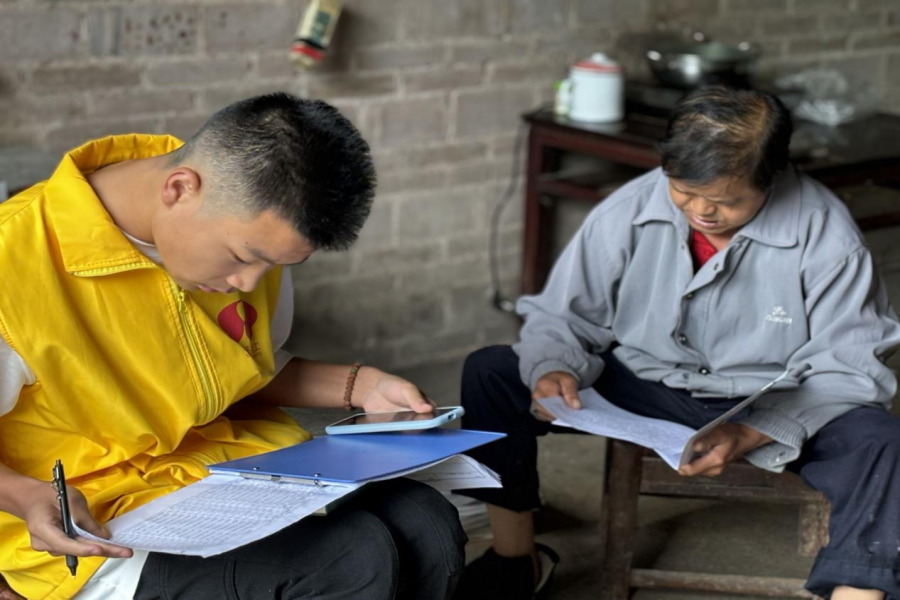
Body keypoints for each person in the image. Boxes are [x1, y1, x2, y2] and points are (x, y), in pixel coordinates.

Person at [0, 93, 466, 600]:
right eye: (244, 257)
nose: (249, 284)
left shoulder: (248, 234)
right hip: (93, 519)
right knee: (351, 559)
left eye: (275, 265)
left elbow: (241, 369)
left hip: (219, 471)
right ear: (179, 189)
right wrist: (25, 496)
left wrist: (362, 386)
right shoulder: (14, 260)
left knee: (427, 524)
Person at [454, 87, 900, 600]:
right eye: (684, 191)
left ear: (772, 177)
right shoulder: (631, 206)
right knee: (491, 372)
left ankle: (855, 593)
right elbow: (563, 313)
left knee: (882, 443)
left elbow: (849, 364)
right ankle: (515, 558)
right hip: (650, 382)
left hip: (771, 398)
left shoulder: (827, 235)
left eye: (727, 200)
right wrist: (554, 366)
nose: (702, 211)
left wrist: (754, 431)